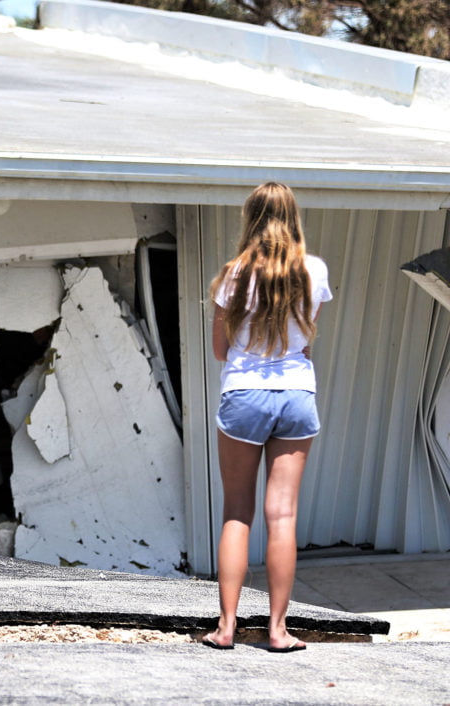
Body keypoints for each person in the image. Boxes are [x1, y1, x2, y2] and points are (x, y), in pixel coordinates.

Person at [201, 183, 333, 653]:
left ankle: (226, 626)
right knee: (284, 516)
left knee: (238, 512)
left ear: (250, 218)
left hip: (244, 394)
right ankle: (278, 630)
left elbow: (221, 351)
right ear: (293, 216)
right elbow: (306, 337)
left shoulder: (233, 275)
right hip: (298, 393)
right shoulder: (313, 270)